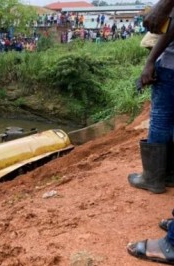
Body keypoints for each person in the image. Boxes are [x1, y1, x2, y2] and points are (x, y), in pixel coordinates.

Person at [127, 8, 174, 265]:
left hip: (171, 67)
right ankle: (166, 174)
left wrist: (150, 61)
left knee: (161, 119)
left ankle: (153, 178)